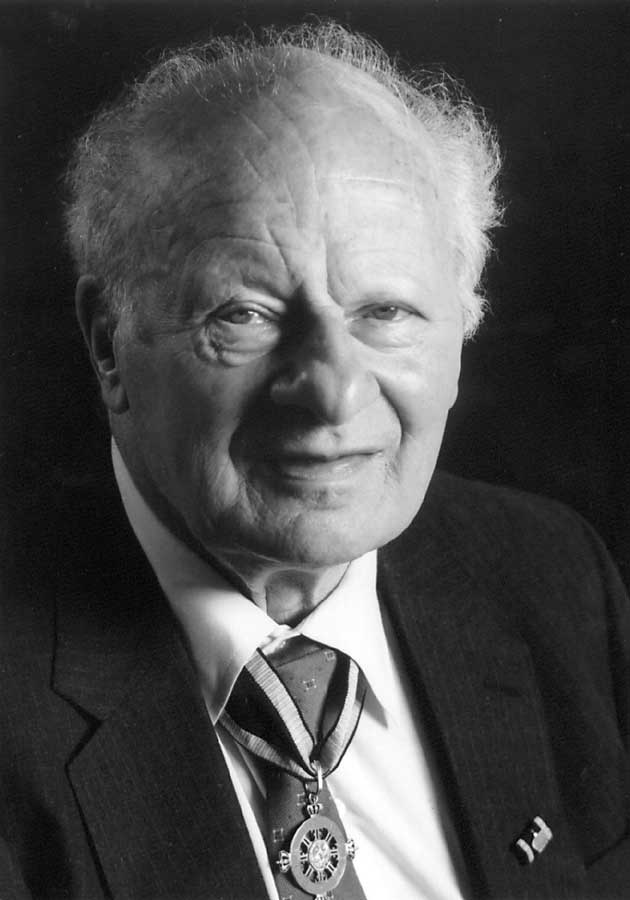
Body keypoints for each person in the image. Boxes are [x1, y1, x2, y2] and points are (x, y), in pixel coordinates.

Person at [1, 22, 629, 900]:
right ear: (110, 345)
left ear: (462, 327)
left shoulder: (553, 578)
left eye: (387, 312)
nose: (334, 394)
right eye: (246, 315)